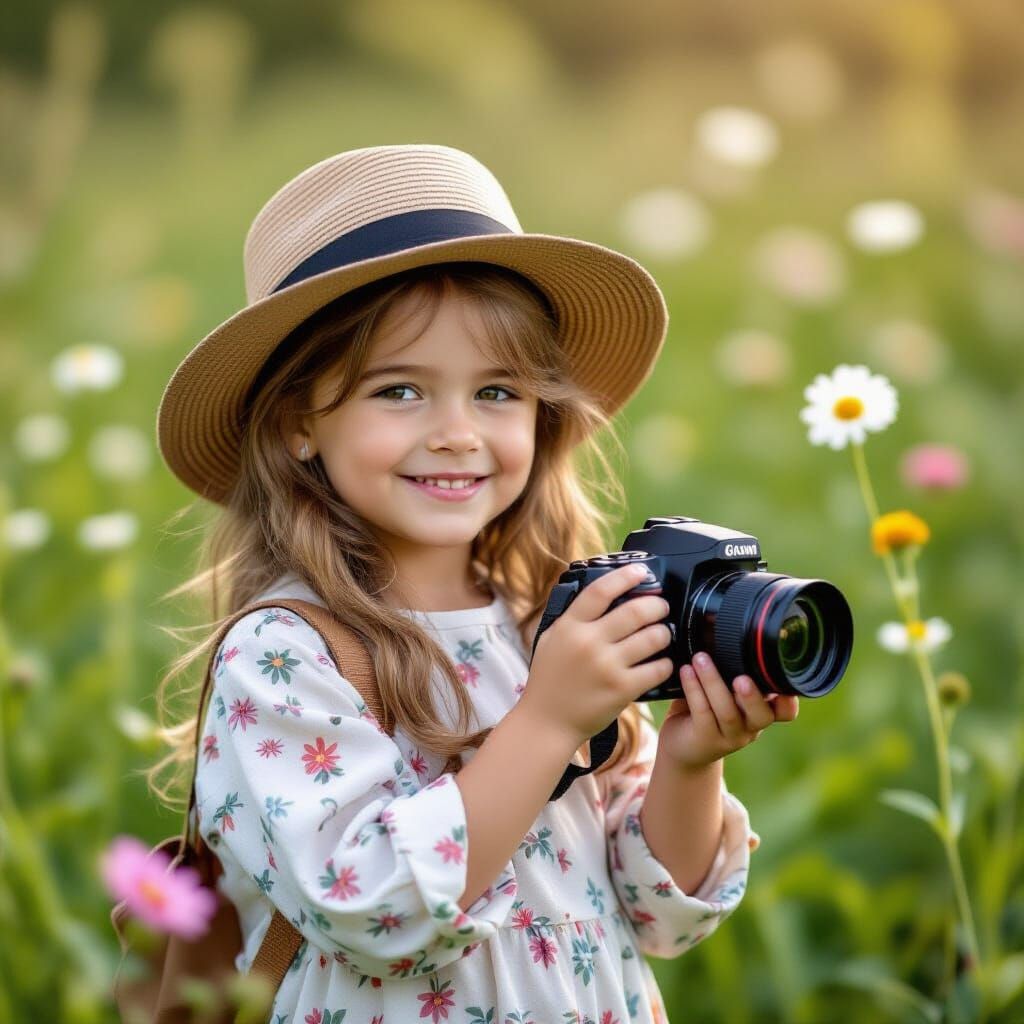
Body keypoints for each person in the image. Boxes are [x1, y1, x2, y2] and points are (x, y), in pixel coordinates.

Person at [150, 143, 799, 1023]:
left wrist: (688, 762)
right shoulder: (285, 652)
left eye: (497, 392)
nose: (458, 433)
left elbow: (659, 916)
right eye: (401, 391)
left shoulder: (547, 619)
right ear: (301, 421)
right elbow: (370, 908)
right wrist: (547, 720)